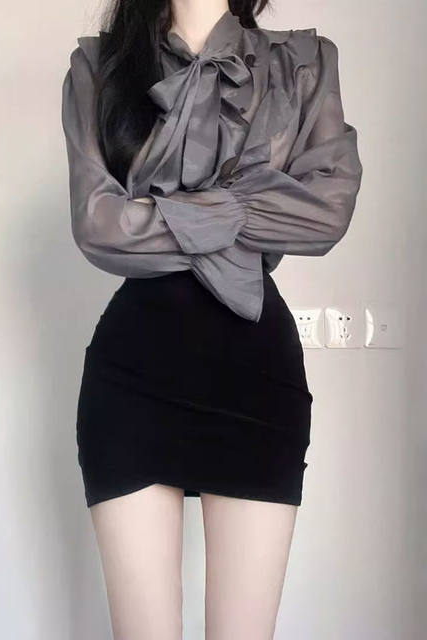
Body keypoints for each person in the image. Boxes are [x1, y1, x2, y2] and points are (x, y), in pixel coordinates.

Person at [60, 1, 363, 638]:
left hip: (258, 378)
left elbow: (325, 214)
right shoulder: (100, 67)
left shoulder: (303, 64)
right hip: (132, 381)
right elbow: (98, 226)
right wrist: (248, 209)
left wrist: (163, 215)